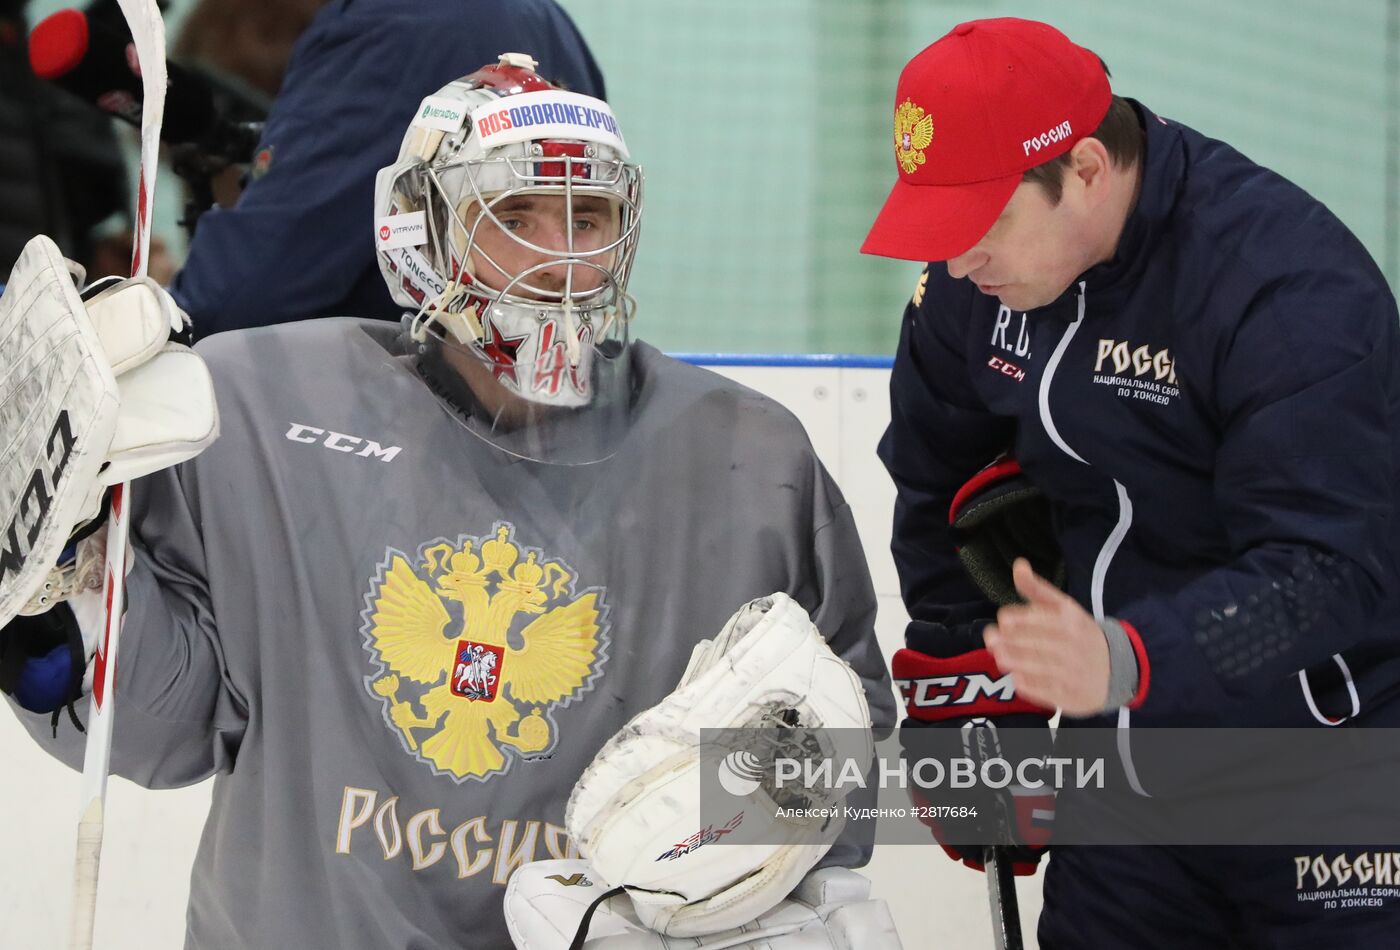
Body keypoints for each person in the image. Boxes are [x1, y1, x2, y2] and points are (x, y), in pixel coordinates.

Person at [0, 55, 895, 948]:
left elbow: (841, 737)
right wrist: (56, 581)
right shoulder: (260, 404)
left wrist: (713, 866)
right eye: (516, 214)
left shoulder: (747, 460)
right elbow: (160, 728)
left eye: (591, 216)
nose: (564, 258)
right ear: (422, 228)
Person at [863, 16, 1400, 948]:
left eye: (983, 221)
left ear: (1085, 170)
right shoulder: (973, 292)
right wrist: (967, 687)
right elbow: (935, 480)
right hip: (1123, 785)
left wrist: (1130, 659)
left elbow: (1333, 569)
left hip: (1328, 775)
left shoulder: (1290, 293)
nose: (957, 261)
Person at [168, 0, 605, 336]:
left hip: (377, 427)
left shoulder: (397, 25)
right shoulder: (552, 25)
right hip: (512, 425)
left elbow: (240, 298)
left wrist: (139, 319)